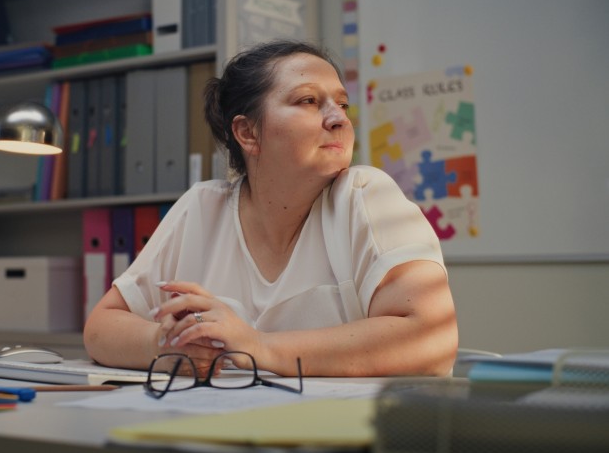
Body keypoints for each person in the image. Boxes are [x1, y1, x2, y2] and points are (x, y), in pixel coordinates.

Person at [84, 40, 458, 378]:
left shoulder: (365, 196)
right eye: (309, 101)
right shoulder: (201, 208)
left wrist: (256, 346)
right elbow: (101, 326)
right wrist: (165, 345)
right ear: (247, 133)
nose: (339, 118)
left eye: (342, 103)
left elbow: (433, 342)